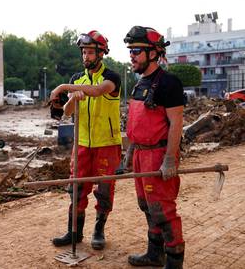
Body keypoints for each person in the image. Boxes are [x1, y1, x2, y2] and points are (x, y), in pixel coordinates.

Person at [49, 30, 122, 250]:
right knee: (77, 187)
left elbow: (98, 91)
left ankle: (98, 231)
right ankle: (75, 232)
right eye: (83, 52)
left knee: (104, 189)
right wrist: (73, 99)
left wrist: (64, 88)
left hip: (107, 143)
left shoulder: (112, 77)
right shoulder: (77, 79)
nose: (85, 57)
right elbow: (67, 112)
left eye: (90, 52)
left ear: (101, 53)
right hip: (82, 143)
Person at [123, 26, 185, 268]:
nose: (132, 56)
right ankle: (154, 254)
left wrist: (170, 159)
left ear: (153, 53)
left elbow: (176, 124)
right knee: (146, 206)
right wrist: (130, 153)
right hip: (140, 154)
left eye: (136, 51)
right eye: (130, 51)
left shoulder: (169, 83)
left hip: (158, 156)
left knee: (163, 210)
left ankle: (174, 261)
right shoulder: (139, 84)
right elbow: (136, 123)